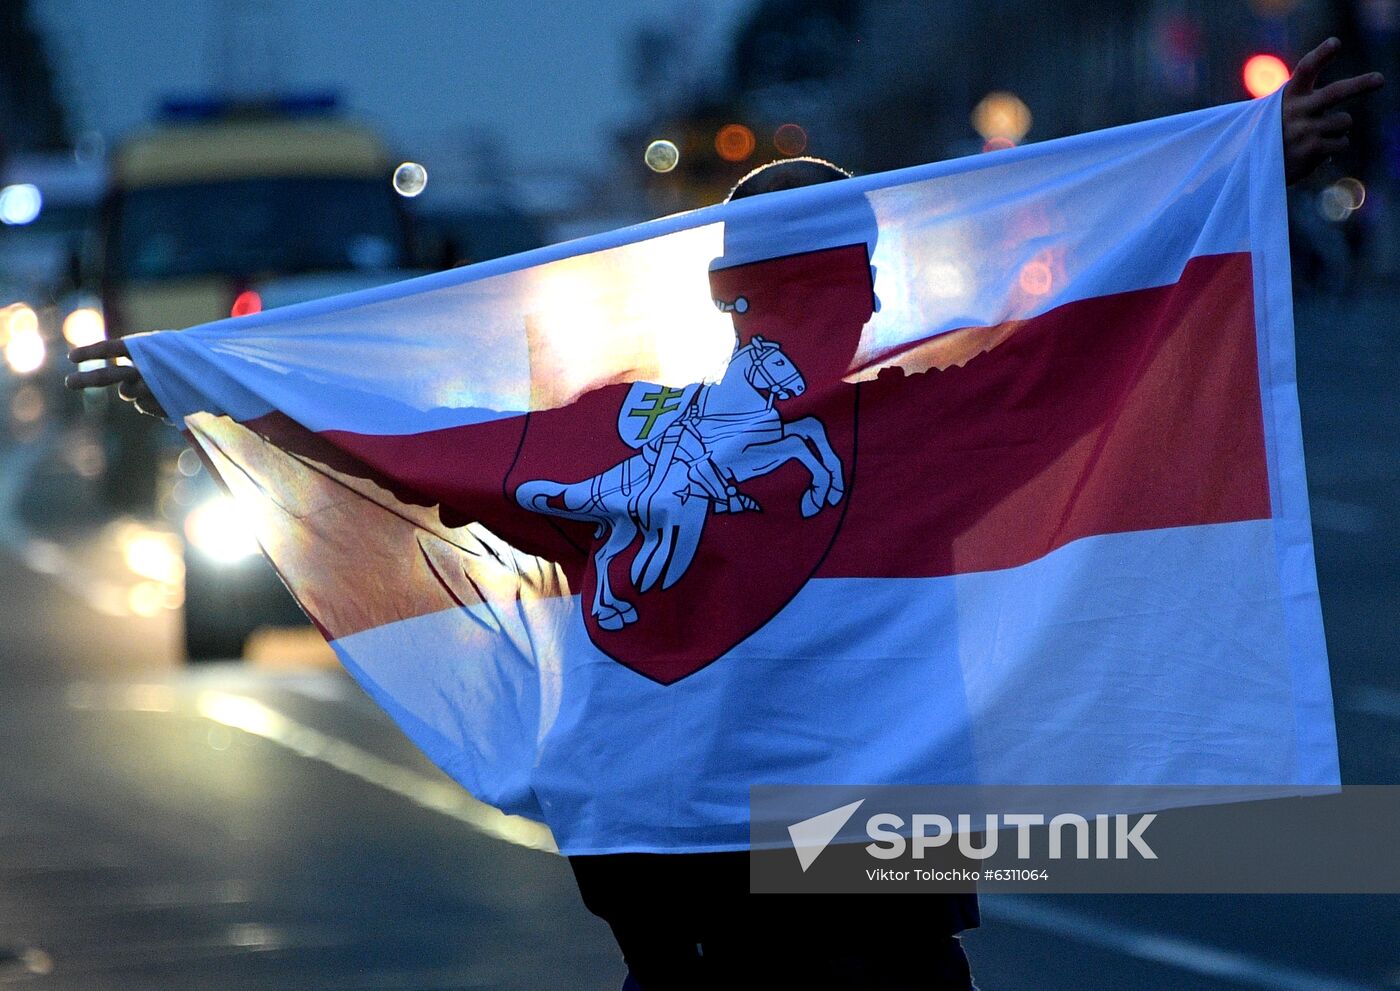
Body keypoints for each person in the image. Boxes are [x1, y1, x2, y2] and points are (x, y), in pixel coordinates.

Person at [68, 39, 1382, 991]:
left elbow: (410, 444)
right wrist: (1238, 173)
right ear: (865, 288)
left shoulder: (611, 432)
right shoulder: (934, 426)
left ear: (719, 294)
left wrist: (205, 381)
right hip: (865, 900)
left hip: (673, 893)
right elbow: (1099, 325)